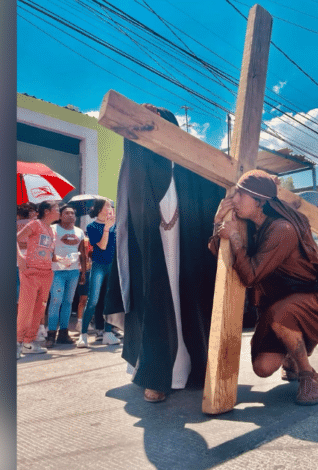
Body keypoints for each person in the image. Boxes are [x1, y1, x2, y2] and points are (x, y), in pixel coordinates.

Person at [103, 104, 224, 403]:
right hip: (152, 246)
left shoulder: (190, 165)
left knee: (189, 301)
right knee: (156, 302)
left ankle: (194, 369)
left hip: (186, 245)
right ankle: (156, 374)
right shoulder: (137, 164)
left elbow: (215, 189)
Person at [211, 170, 318, 406]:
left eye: (241, 195)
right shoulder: (251, 225)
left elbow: (250, 277)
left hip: (312, 303)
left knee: (282, 313)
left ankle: (307, 374)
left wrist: (236, 240)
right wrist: (218, 222)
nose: (234, 200)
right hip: (274, 307)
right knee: (262, 368)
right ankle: (290, 355)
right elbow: (218, 255)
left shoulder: (282, 230)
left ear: (259, 202)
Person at [17, 200, 60, 357]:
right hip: (31, 272)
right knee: (26, 308)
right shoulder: (34, 225)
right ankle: (17, 342)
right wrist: (20, 257)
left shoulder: (52, 230)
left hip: (47, 273)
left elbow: (49, 252)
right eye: (57, 208)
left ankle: (28, 343)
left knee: (39, 309)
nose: (59, 211)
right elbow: (16, 238)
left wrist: (61, 259)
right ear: (47, 211)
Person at [76, 197, 120, 348]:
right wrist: (107, 227)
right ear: (101, 209)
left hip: (113, 266)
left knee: (109, 301)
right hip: (99, 266)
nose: (111, 208)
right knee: (93, 300)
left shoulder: (116, 225)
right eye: (108, 206)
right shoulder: (92, 226)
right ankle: (83, 335)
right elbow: (102, 245)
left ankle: (108, 332)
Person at [45, 205, 85, 347]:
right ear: (60, 216)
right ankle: (50, 335)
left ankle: (63, 333)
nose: (70, 215)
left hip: (74, 271)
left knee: (68, 302)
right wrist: (59, 259)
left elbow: (82, 253)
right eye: (67, 213)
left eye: (73, 213)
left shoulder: (79, 232)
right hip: (57, 271)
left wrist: (83, 272)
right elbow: (47, 249)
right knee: (56, 300)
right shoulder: (53, 230)